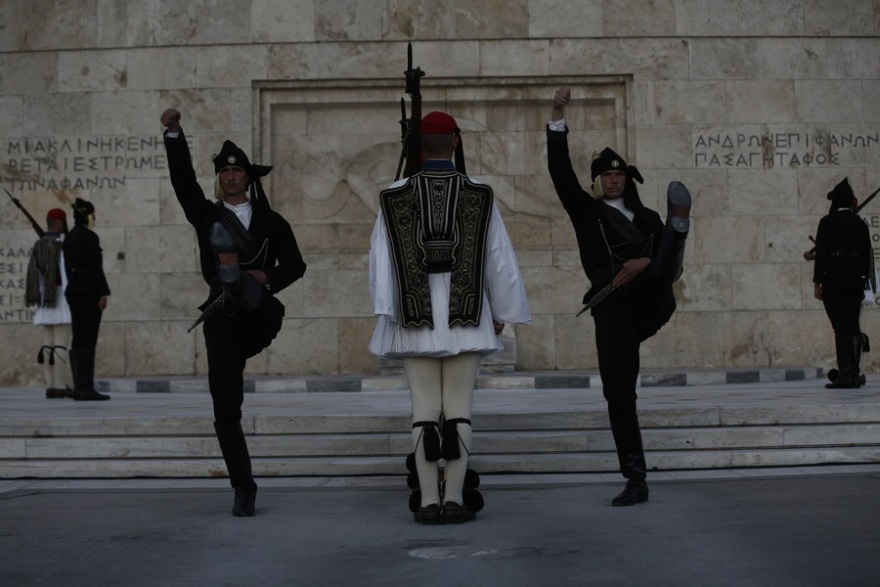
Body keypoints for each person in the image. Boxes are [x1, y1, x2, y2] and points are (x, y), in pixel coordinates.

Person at [369, 111, 531, 524]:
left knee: (424, 411)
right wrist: (503, 311)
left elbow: (380, 261)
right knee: (459, 410)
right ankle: (455, 499)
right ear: (455, 143)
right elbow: (499, 257)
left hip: (413, 317)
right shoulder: (480, 195)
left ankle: (428, 502)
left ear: (417, 148)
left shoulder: (393, 196)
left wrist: (388, 309)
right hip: (468, 314)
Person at [546, 87, 691, 506]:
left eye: (620, 174)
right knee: (620, 392)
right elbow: (559, 171)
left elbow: (673, 269)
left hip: (649, 295)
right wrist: (557, 114)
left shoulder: (646, 217)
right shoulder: (586, 212)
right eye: (607, 175)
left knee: (664, 260)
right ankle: (636, 478)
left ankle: (678, 229)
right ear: (597, 180)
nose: (615, 180)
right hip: (610, 303)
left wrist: (643, 263)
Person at [160, 108, 307, 517]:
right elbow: (183, 182)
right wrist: (174, 135)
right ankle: (243, 487)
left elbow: (296, 266)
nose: (229, 176)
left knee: (263, 304)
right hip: (222, 316)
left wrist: (266, 276)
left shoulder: (271, 222)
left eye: (236, 170)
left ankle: (240, 286)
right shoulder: (207, 215)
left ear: (248, 176)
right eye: (224, 171)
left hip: (258, 313)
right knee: (226, 408)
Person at [812, 178, 872, 389]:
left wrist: (817, 282)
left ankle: (846, 373)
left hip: (834, 280)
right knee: (853, 324)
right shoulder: (860, 224)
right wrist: (864, 281)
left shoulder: (827, 223)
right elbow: (867, 256)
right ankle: (855, 373)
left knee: (841, 327)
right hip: (856, 280)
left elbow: (822, 255)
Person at [63, 198, 111, 401]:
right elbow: (95, 267)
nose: (94, 217)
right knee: (88, 338)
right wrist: (102, 293)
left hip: (74, 290)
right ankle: (86, 388)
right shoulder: (90, 237)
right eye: (92, 214)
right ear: (86, 216)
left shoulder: (70, 236)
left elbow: (67, 267)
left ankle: (79, 385)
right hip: (89, 291)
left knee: (78, 337)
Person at [25, 208, 73, 399]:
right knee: (61, 344)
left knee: (48, 344)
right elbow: (65, 273)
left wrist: (41, 294)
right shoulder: (61, 245)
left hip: (46, 298)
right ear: (59, 223)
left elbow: (35, 274)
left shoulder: (39, 245)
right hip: (61, 297)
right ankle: (60, 386)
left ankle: (50, 386)